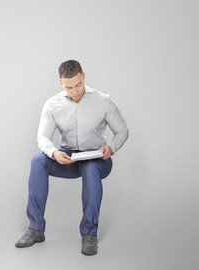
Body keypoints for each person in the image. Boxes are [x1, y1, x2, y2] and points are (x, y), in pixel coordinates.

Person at [15, 60, 128, 255]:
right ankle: (36, 228)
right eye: (69, 87)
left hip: (98, 158)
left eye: (78, 85)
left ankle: (89, 233)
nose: (75, 91)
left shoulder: (103, 100)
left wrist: (112, 147)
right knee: (38, 161)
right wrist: (54, 152)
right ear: (61, 82)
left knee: (91, 168)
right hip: (69, 158)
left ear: (83, 77)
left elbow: (122, 131)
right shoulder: (52, 104)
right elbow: (43, 137)